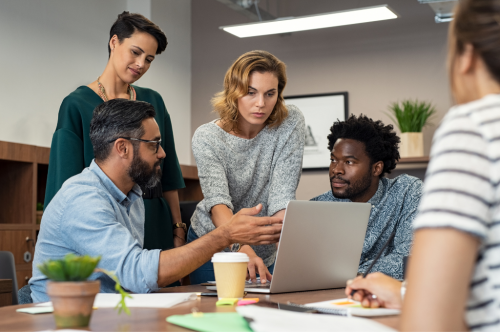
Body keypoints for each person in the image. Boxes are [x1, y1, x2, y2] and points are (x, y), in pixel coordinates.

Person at [30, 99, 283, 303]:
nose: (162, 153)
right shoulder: (82, 198)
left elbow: (131, 279)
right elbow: (136, 272)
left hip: (111, 315)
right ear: (123, 148)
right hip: (64, 322)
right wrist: (224, 235)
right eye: (154, 145)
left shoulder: (133, 195)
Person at [347, 1, 500, 330]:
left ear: (467, 55)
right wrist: (407, 295)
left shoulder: (475, 127)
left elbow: (430, 324)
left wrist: (418, 306)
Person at [44, 12, 186, 254]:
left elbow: (168, 172)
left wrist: (178, 228)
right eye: (135, 52)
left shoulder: (154, 102)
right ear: (114, 42)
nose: (141, 64)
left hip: (155, 222)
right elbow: (63, 185)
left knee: (165, 289)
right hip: (103, 222)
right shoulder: (77, 104)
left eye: (149, 59)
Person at [187, 50, 305, 284]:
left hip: (263, 249)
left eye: (270, 93)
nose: (261, 104)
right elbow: (218, 203)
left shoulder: (289, 122)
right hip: (215, 244)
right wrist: (241, 247)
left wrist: (291, 253)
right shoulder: (208, 137)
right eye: (251, 93)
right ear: (234, 92)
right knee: (218, 315)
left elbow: (282, 196)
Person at [311, 115, 422, 280]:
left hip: (385, 299)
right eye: (333, 160)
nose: (336, 170)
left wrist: (351, 275)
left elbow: (410, 258)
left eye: (349, 162)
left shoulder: (406, 192)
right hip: (326, 297)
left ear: (376, 168)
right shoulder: (317, 207)